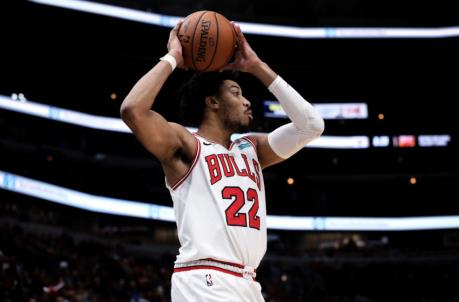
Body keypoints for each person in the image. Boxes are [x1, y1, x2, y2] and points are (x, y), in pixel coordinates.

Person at [120, 20, 324, 302]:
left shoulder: (251, 148)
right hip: (205, 279)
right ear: (212, 102)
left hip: (248, 283)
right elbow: (133, 110)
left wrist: (256, 65)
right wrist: (172, 58)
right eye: (236, 93)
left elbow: (311, 125)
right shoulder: (187, 145)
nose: (247, 102)